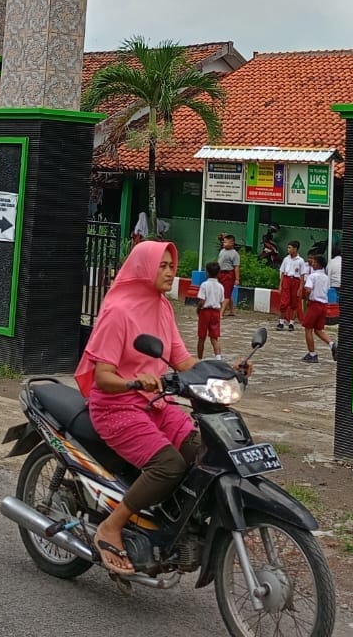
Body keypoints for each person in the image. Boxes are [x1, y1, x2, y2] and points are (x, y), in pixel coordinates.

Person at [74, 241, 201, 576]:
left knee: (202, 449)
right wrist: (134, 382)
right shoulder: (119, 312)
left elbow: (182, 360)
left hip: (156, 403)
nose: (170, 272)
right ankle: (111, 527)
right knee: (169, 465)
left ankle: (165, 521)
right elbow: (103, 377)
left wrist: (224, 368)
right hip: (116, 406)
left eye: (172, 266)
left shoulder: (163, 308)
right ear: (145, 268)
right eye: (163, 266)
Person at [300, 253, 335, 363]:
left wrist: (306, 298)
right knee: (318, 329)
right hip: (324, 305)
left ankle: (312, 353)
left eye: (314, 262)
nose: (312, 263)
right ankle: (332, 344)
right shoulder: (326, 277)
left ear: (318, 264)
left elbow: (308, 289)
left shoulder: (312, 276)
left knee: (308, 329)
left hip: (314, 304)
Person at [276, 240, 308, 332]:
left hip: (296, 281)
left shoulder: (300, 261)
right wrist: (280, 285)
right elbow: (282, 272)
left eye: (290, 248)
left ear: (295, 249)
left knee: (294, 303)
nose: (288, 249)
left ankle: (291, 323)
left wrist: (301, 287)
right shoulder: (286, 259)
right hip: (286, 280)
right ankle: (281, 322)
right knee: (284, 302)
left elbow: (302, 275)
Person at [196, 261, 224, 359]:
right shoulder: (220, 287)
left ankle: (200, 359)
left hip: (205, 312)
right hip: (215, 312)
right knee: (214, 337)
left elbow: (202, 301)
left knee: (201, 337)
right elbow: (221, 302)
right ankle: (218, 358)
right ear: (219, 273)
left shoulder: (204, 285)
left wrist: (198, 309)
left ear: (207, 272)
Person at [216, 232, 241, 318]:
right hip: (220, 273)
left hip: (229, 274)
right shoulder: (222, 251)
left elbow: (236, 267)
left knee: (226, 294)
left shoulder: (235, 254)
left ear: (232, 243)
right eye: (224, 242)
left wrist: (237, 279)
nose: (225, 244)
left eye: (227, 242)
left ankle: (221, 313)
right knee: (226, 293)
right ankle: (231, 311)